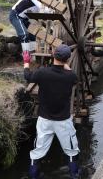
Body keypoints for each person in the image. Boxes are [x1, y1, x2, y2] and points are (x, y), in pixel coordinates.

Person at [23, 45, 80, 179]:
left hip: (44, 120)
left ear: (53, 55)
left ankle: (34, 176)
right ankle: (74, 175)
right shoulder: (70, 77)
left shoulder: (42, 72)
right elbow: (74, 77)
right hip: (63, 121)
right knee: (71, 150)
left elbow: (27, 76)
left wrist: (26, 62)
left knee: (38, 150)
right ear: (67, 59)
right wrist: (66, 65)